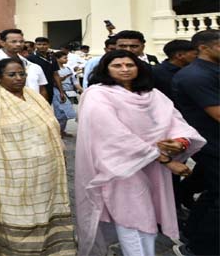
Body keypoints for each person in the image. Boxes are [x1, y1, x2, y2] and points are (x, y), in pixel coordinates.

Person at [76, 50, 206, 256]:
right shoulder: (97, 94)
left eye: (130, 65)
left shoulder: (152, 94)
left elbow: (175, 121)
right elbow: (113, 134)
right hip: (120, 167)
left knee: (150, 215)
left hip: (153, 166)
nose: (125, 69)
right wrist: (165, 159)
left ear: (139, 67)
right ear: (105, 69)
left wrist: (180, 142)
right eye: (117, 66)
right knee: (132, 217)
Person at [0, 58, 75, 255]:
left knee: (44, 203)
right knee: (12, 208)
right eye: (12, 75)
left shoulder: (34, 96)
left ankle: (49, 241)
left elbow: (51, 124)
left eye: (22, 74)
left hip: (44, 165)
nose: (19, 78)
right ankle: (15, 246)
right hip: (6, 168)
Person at [172, 30, 220, 256]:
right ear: (204, 47)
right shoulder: (195, 76)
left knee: (214, 192)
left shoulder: (212, 70)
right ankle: (199, 248)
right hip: (212, 144)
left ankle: (192, 235)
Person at [0, 29, 48, 98]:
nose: (18, 44)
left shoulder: (31, 65)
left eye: (21, 41)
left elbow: (42, 89)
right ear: (2, 43)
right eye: (14, 42)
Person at [51, 51, 81, 136]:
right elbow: (54, 82)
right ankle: (58, 132)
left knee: (65, 114)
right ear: (57, 59)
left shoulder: (68, 69)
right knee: (61, 113)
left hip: (69, 92)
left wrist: (82, 91)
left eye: (67, 57)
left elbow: (75, 82)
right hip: (59, 92)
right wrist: (61, 79)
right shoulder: (55, 70)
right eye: (64, 58)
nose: (66, 59)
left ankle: (62, 131)